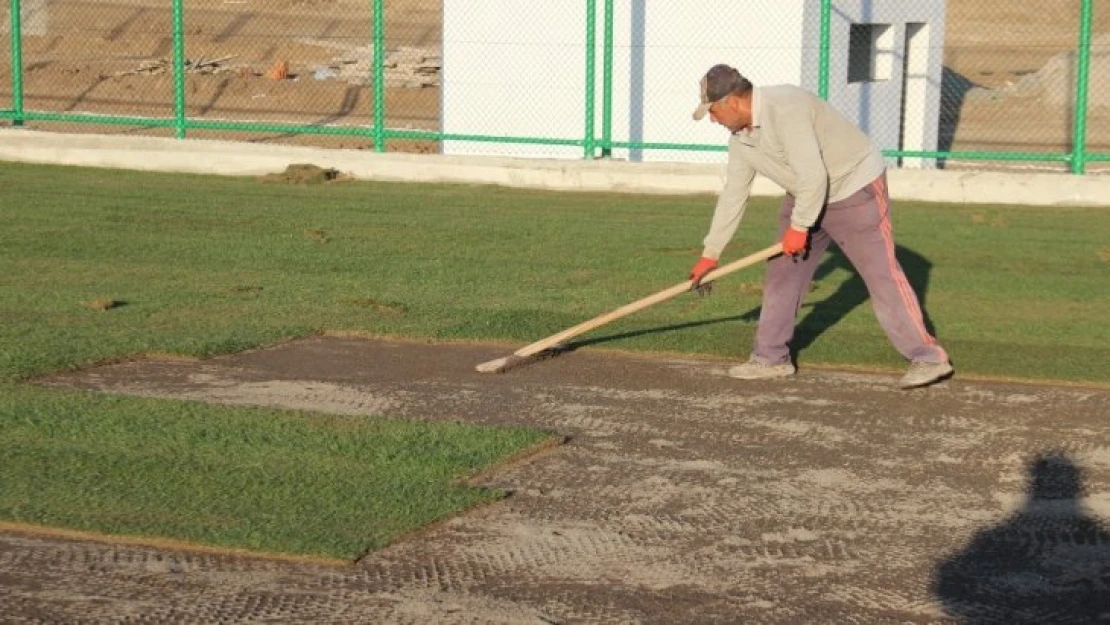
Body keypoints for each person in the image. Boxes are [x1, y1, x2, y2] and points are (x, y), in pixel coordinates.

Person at [687, 64, 952, 389]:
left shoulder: (786, 107)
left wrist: (799, 227)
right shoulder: (740, 140)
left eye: (713, 112)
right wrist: (711, 253)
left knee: (880, 273)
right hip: (807, 193)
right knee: (783, 272)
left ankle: (928, 358)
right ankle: (771, 359)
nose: (713, 120)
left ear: (733, 102)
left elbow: (814, 174)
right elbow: (734, 194)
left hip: (854, 186)